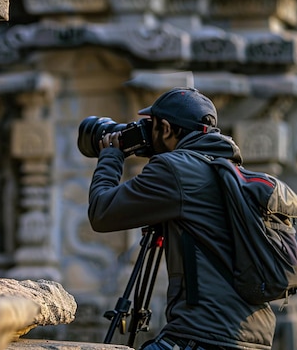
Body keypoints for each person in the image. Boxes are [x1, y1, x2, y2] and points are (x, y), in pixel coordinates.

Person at [88, 87, 275, 350]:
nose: (145, 131)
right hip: (253, 335)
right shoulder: (229, 170)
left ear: (166, 128)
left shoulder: (175, 169)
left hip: (203, 334)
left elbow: (101, 212)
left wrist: (111, 155)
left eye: (150, 125)